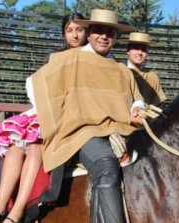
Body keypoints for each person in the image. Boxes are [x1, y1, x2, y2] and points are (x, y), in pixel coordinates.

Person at [30, 9, 145, 223]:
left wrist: (137, 108)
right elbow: (34, 85)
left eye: (109, 32)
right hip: (83, 133)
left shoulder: (122, 70)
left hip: (121, 130)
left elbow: (137, 100)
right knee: (106, 166)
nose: (104, 36)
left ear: (115, 37)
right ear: (89, 33)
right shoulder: (67, 59)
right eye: (99, 31)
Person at [0, 12, 88, 223]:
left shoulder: (90, 56)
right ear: (64, 33)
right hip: (49, 110)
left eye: (79, 30)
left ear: (86, 32)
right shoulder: (55, 57)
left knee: (35, 147)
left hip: (71, 115)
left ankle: (16, 213)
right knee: (16, 147)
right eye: (70, 30)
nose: (75, 35)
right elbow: (39, 87)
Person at [126, 32, 167, 106]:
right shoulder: (119, 71)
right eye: (136, 48)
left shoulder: (152, 77)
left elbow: (159, 105)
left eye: (144, 49)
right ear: (128, 51)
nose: (140, 52)